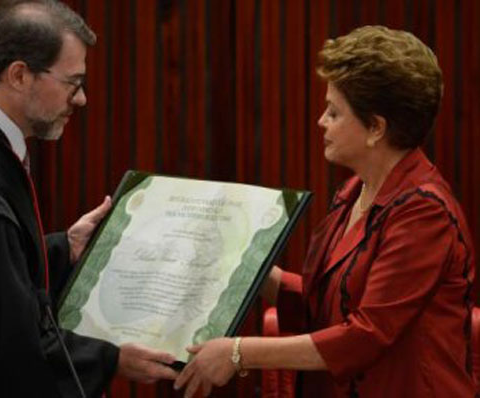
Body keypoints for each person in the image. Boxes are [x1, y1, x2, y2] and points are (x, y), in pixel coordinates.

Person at [174, 25, 476, 397]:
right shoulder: (354, 191)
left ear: (375, 128)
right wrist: (248, 268)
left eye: (334, 112)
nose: (321, 121)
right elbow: (332, 305)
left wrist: (238, 353)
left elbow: (366, 334)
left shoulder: (423, 212)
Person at [0, 1, 177, 397]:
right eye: (73, 82)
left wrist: (63, 248)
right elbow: (7, 350)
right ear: (19, 75)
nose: (81, 99)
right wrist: (111, 359)